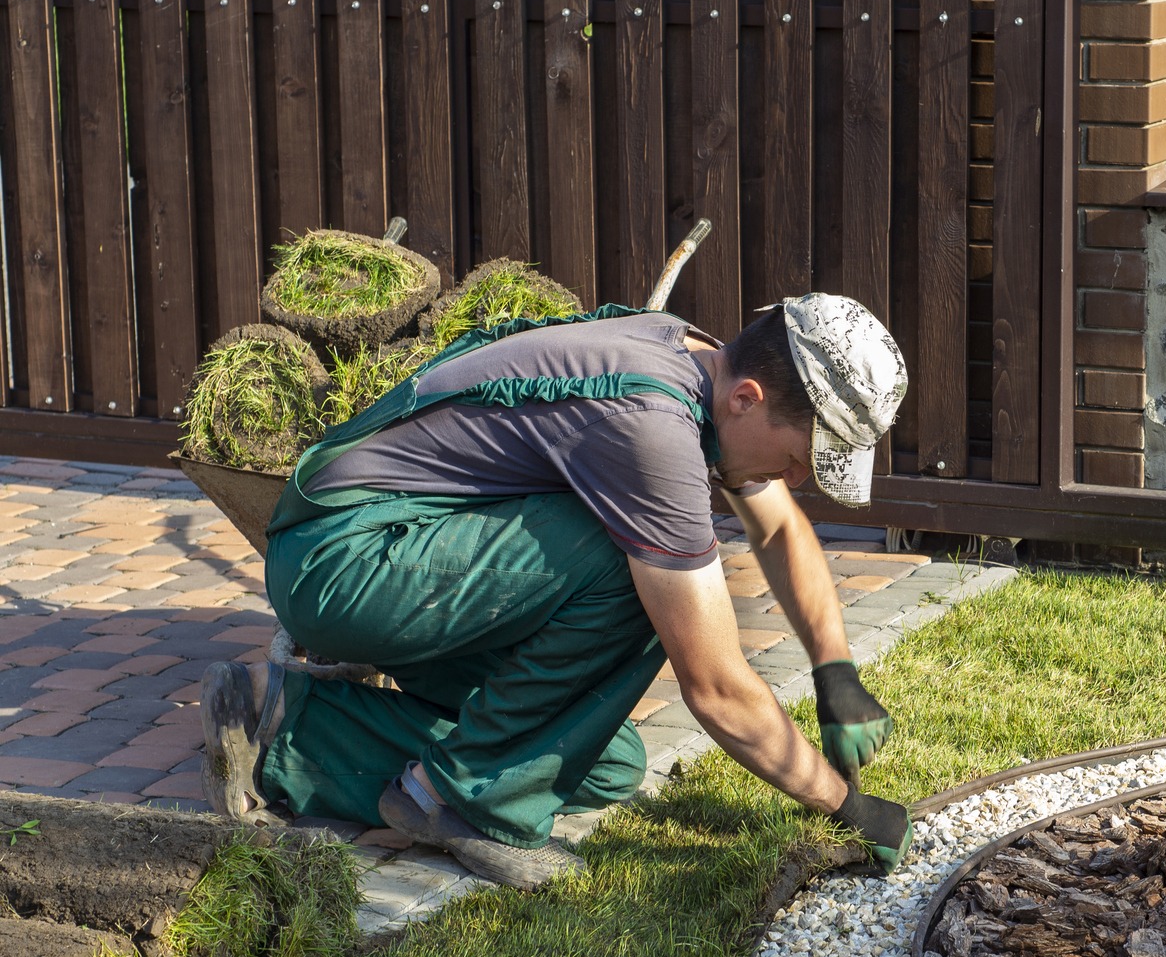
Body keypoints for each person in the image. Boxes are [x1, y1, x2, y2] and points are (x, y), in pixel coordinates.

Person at [196, 292, 913, 890]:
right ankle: (457, 802)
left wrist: (834, 669)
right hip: (349, 563)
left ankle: (282, 726)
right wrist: (844, 804)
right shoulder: (652, 430)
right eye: (795, 458)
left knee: (601, 764)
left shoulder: (701, 363)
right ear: (749, 398)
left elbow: (781, 532)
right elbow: (716, 683)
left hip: (412, 555)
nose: (793, 480)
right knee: (639, 566)